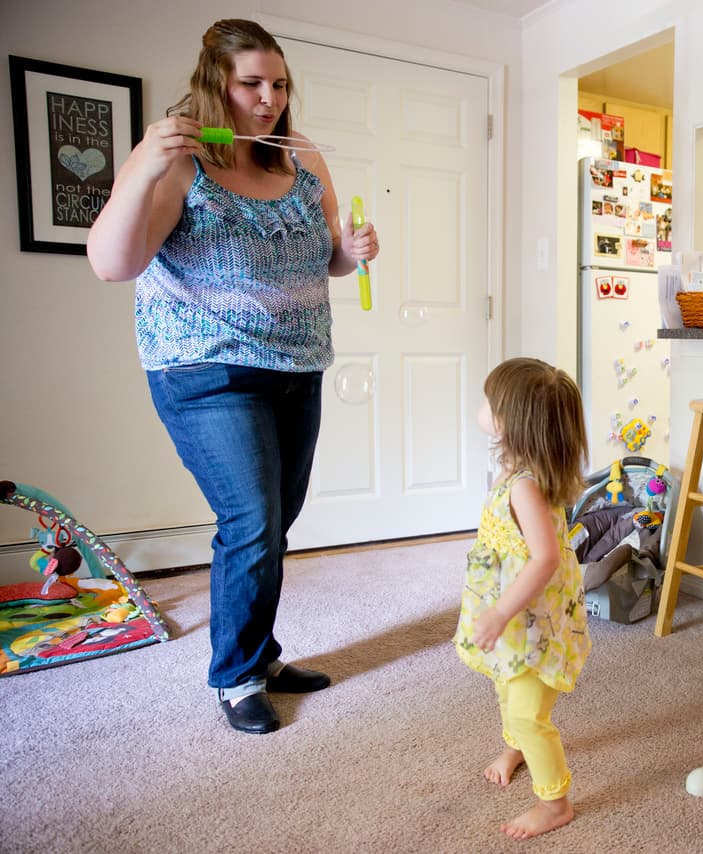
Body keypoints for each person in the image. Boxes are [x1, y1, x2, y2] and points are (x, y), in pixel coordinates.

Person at [86, 19, 379, 735]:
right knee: (251, 521)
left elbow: (330, 261)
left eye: (279, 83)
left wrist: (350, 247)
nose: (269, 97)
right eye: (252, 82)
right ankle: (237, 676)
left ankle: (261, 651)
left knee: (274, 525)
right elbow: (111, 262)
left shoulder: (298, 155)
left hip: (297, 364)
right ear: (215, 82)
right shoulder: (178, 158)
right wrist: (142, 168)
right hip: (206, 367)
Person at [454, 357, 592, 840]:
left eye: (488, 403)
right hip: (517, 611)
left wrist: (499, 611)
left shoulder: (526, 487)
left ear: (509, 421)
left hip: (533, 616)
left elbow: (544, 559)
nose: (482, 408)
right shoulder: (517, 467)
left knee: (527, 710)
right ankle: (515, 746)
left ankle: (554, 802)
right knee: (504, 680)